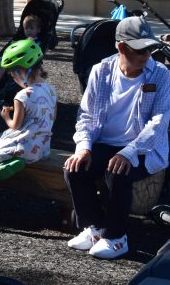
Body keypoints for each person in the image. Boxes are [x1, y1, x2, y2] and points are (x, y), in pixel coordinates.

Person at [64, 16, 170, 259]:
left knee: (118, 170)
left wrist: (129, 152)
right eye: (141, 49)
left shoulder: (161, 74)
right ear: (121, 47)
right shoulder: (101, 71)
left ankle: (117, 237)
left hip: (145, 149)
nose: (147, 55)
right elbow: (87, 116)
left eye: (151, 48)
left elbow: (159, 123)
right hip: (106, 144)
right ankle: (95, 228)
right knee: (74, 168)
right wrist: (84, 147)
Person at [0, 39, 57, 223]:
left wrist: (6, 116)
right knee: (24, 146)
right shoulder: (51, 90)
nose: (13, 79)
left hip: (24, 143)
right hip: (42, 147)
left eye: (13, 75)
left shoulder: (22, 96)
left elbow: (15, 125)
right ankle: (19, 160)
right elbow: (51, 117)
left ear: (20, 71)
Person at [0, 14, 43, 95]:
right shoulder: (22, 40)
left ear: (38, 30)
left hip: (21, 62)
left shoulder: (37, 42)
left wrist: (30, 42)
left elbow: (34, 54)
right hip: (12, 58)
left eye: (31, 28)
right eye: (26, 28)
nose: (28, 31)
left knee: (3, 63)